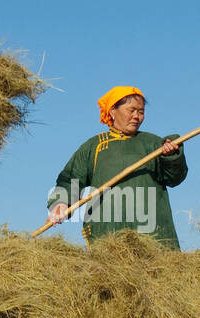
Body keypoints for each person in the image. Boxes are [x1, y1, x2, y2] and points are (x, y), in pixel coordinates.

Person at [47, 85, 188, 249]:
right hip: (108, 234)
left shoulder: (153, 143)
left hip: (153, 234)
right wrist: (61, 203)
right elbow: (70, 178)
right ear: (113, 111)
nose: (137, 116)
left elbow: (174, 178)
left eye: (141, 112)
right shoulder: (94, 146)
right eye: (131, 110)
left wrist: (171, 157)